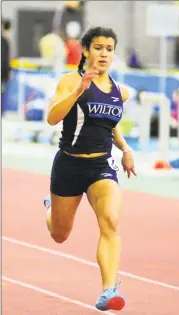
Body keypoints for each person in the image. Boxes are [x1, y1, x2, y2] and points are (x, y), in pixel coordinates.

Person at [44, 26, 136, 312]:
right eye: (98, 48)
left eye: (109, 49)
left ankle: (108, 290)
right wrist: (79, 90)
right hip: (70, 164)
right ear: (85, 51)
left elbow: (108, 124)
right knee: (59, 234)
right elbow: (52, 117)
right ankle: (49, 208)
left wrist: (126, 149)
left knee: (110, 221)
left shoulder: (119, 91)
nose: (104, 53)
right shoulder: (69, 80)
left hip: (101, 166)